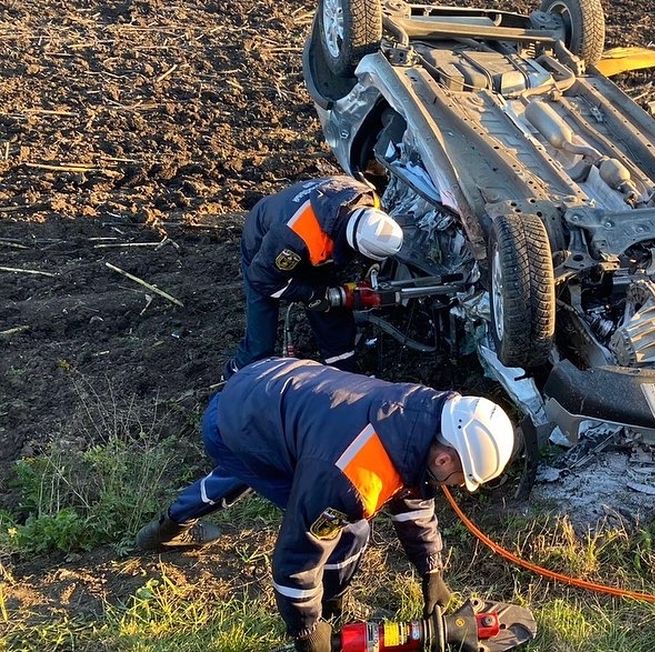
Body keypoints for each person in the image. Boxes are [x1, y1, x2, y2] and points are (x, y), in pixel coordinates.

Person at [135, 357, 515, 652]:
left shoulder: (421, 415)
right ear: (445, 459)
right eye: (458, 481)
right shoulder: (350, 478)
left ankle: (163, 528)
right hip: (237, 419)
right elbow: (298, 554)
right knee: (351, 527)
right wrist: (307, 629)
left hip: (271, 387)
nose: (455, 488)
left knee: (265, 465)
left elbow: (412, 494)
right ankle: (332, 607)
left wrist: (431, 571)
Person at [226, 177, 404, 378]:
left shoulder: (371, 203)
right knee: (261, 339)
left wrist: (363, 274)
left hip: (313, 239)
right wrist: (312, 294)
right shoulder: (294, 235)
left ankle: (344, 374)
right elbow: (263, 279)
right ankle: (234, 379)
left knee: (332, 319)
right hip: (264, 244)